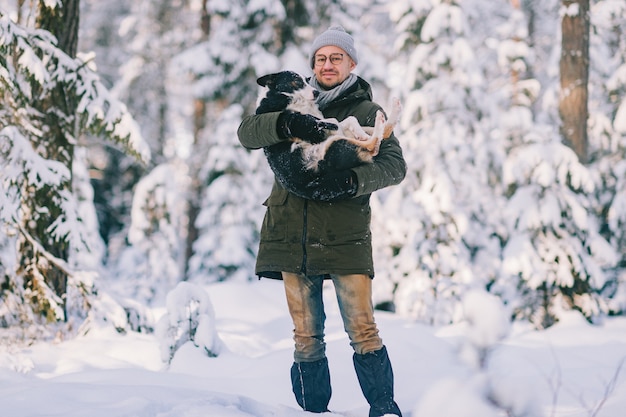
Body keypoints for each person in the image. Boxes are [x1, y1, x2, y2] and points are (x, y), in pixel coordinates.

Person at [237, 26, 406, 417]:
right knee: (306, 337)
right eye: (320, 58)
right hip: (291, 233)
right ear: (313, 64)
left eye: (336, 58)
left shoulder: (366, 112)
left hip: (343, 235)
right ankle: (312, 413)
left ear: (351, 64)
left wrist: (352, 182)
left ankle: (383, 409)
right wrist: (286, 124)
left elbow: (395, 166)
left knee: (363, 331)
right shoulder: (291, 99)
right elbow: (247, 132)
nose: (327, 65)